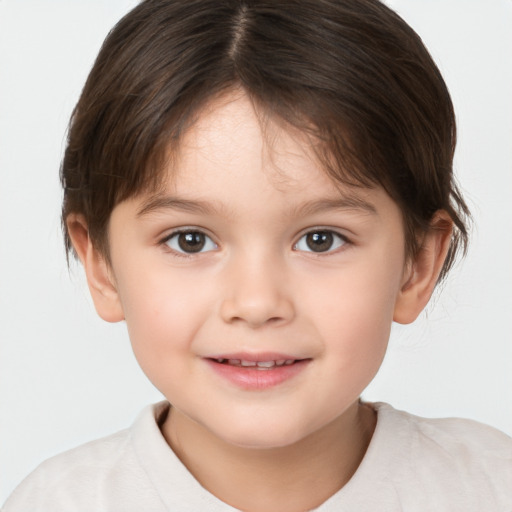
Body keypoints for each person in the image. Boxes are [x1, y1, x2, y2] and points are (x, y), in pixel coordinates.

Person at [3, 0, 511, 510]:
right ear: (101, 265)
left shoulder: (491, 486)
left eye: (321, 239)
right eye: (190, 240)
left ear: (417, 266)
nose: (256, 302)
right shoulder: (56, 502)